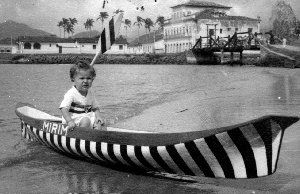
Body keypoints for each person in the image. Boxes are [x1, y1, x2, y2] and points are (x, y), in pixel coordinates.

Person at [59, 60, 105, 130]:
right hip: (74, 119)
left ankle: (96, 138)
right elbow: (63, 108)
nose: (85, 81)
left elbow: (95, 108)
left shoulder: (90, 93)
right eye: (82, 78)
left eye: (89, 78)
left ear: (92, 79)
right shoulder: (71, 93)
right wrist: (69, 121)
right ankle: (80, 138)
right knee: (86, 121)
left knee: (100, 123)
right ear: (73, 79)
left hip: (88, 117)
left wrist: (98, 116)